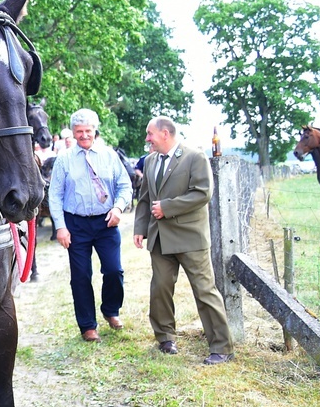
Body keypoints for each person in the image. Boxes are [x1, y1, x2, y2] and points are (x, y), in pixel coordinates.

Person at [132, 116, 234, 365]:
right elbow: (145, 197)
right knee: (160, 288)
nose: (147, 139)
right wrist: (140, 227)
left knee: (204, 291)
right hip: (159, 238)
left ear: (165, 134)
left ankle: (222, 347)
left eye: (150, 134)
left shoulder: (194, 157)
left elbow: (202, 193)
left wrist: (168, 208)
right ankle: (165, 337)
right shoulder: (151, 160)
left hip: (190, 237)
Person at [48, 109, 132, 342]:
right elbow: (54, 195)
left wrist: (118, 208)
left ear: (95, 130)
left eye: (88, 131)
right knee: (81, 276)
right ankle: (87, 326)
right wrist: (61, 227)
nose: (84, 136)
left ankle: (111, 310)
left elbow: (125, 186)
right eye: (79, 132)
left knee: (114, 270)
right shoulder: (64, 159)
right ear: (73, 133)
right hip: (76, 224)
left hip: (106, 222)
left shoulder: (109, 155)